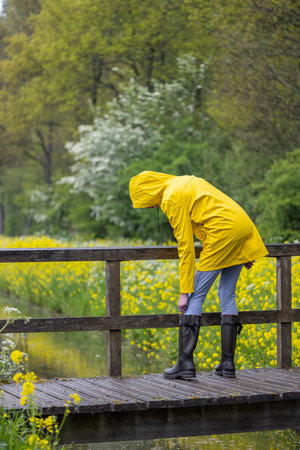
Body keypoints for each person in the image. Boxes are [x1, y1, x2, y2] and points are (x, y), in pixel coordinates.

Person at [129, 171, 268, 380]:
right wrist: (239, 249)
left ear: (149, 192)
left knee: (195, 298)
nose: (150, 207)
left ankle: (185, 363)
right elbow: (212, 215)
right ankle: (227, 364)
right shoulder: (185, 181)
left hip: (222, 233)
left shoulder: (170, 198)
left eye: (146, 203)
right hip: (242, 226)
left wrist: (184, 291)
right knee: (227, 294)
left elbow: (185, 247)